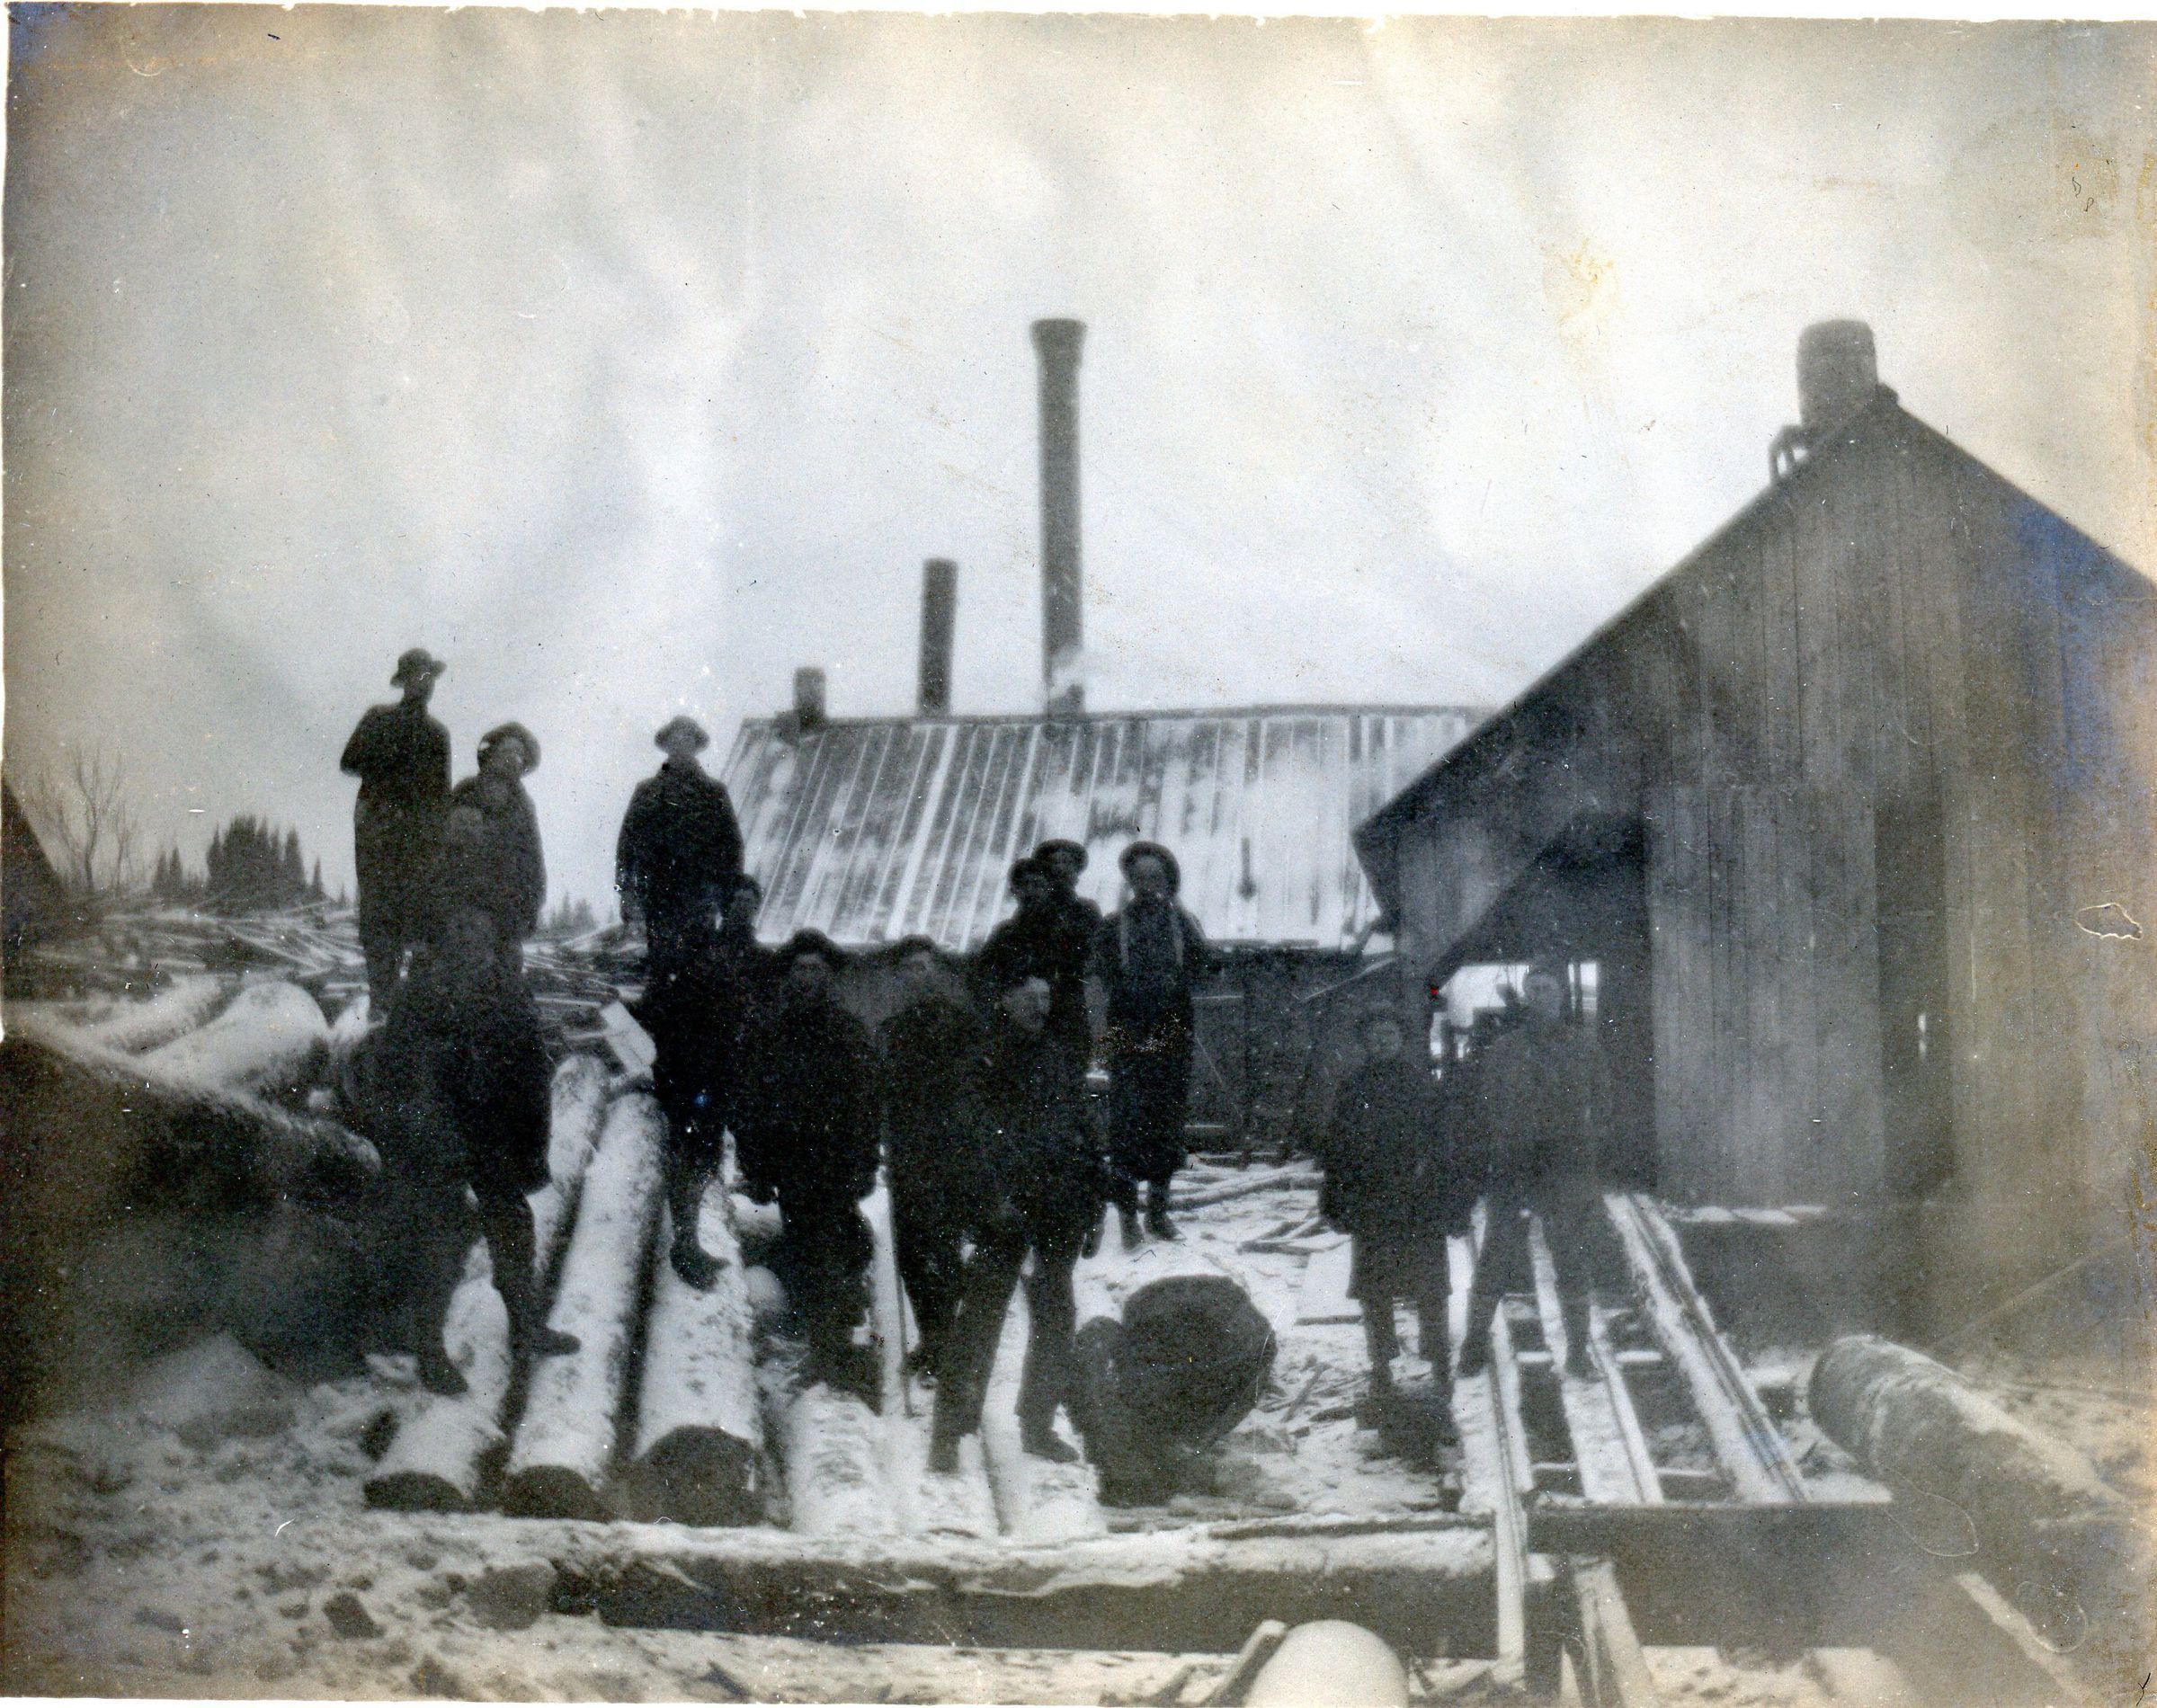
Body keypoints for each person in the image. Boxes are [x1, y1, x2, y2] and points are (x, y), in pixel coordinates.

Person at [346, 904, 579, 1392]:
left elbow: (531, 1072)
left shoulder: (508, 990)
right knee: (440, 1240)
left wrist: (529, 1148)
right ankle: (430, 1350)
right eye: (461, 932)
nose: (471, 941)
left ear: (493, 942)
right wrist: (415, 1137)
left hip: (494, 1132)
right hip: (439, 1134)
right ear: (447, 941)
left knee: (512, 1226)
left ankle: (526, 1327)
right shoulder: (421, 993)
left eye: (479, 932)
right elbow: (395, 1072)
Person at [930, 974, 1110, 1473]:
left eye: (1045, 997)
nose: (1039, 1005)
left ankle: (1037, 1426)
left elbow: (1084, 1133)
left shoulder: (1058, 1057)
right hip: (1005, 1211)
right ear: (1005, 999)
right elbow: (968, 1139)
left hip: (1059, 1208)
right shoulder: (983, 1059)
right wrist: (990, 1200)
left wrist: (1095, 1204)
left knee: (1056, 1318)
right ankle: (948, 1433)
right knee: (980, 1321)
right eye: (1028, 996)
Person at [737, 931, 882, 1400]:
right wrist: (756, 1167)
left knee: (836, 1253)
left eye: (816, 969)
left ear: (829, 976)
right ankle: (827, 1351)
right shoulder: (771, 1034)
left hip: (837, 1164)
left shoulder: (849, 1032)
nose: (807, 978)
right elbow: (753, 1102)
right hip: (793, 1166)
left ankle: (839, 1354)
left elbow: (868, 1104)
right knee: (807, 1251)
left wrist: (865, 1163)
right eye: (799, 969)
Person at [1316, 1008, 1472, 1437]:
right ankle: (1381, 1366)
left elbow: (1445, 1147)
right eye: (1375, 1035)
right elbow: (1337, 1149)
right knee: (1374, 1289)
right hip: (1373, 1203)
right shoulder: (1353, 1088)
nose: (1383, 1041)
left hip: (1418, 1203)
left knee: (1431, 1286)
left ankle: (1439, 1363)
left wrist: (1454, 1202)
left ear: (1402, 1040)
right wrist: (1334, 1200)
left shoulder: (1422, 1085)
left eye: (1390, 1033)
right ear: (1365, 1043)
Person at [1453, 963, 1605, 1380]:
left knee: (1570, 1258)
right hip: (1514, 1167)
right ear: (1525, 995)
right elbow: (1484, 1106)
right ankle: (1473, 1347)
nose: (1540, 996)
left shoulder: (1583, 1047)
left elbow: (1602, 1105)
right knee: (1495, 1258)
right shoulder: (1504, 1049)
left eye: (1547, 988)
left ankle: (1579, 1354)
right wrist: (1500, 1146)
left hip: (1563, 1167)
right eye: (1533, 988)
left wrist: (1584, 1155)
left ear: (1561, 996)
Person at [876, 937, 986, 1383]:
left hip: (951, 1153)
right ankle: (931, 1335)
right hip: (907, 1154)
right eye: (908, 969)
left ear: (936, 972)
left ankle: (946, 1339)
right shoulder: (891, 1031)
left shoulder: (961, 1026)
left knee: (944, 1247)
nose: (915, 976)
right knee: (910, 1251)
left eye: (923, 967)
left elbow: (974, 1089)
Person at [1068, 1272, 1276, 1506]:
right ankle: (1143, 1470)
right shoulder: (1129, 1344)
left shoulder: (1146, 1348)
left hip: (1229, 1344)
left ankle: (1141, 1474)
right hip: (1233, 1335)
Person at [1092, 841, 1209, 1246]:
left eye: (1155, 877)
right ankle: (1128, 1217)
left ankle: (1158, 1213)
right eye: (1139, 877)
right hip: (1127, 1029)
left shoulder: (1182, 922)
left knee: (1166, 1119)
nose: (1147, 885)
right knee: (1126, 1121)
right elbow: (1105, 974)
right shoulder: (1114, 925)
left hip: (1172, 1028)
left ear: (1167, 880)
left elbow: (1204, 966)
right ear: (1130, 881)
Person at [340, 649, 450, 1006]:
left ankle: (416, 1009)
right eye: (418, 676)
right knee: (380, 918)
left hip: (421, 840)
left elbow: (442, 795)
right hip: (380, 834)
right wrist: (391, 772)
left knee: (421, 921)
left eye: (430, 677)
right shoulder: (378, 719)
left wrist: (439, 841)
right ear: (404, 682)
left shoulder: (437, 734)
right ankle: (381, 1003)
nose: (425, 684)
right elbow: (349, 761)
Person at [615, 716, 744, 991]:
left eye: (688, 739)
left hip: (700, 898)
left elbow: (731, 849)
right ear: (667, 746)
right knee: (661, 970)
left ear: (696, 746)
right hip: (657, 898)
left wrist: (727, 900)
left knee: (698, 972)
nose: (681, 744)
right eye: (675, 739)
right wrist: (626, 893)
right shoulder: (647, 792)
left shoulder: (713, 793)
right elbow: (626, 848)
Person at [439, 723, 545, 977]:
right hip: (469, 905)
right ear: (491, 755)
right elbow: (443, 851)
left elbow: (532, 857)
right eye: (507, 751)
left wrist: (533, 902)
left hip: (510, 907)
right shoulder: (467, 792)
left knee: (507, 972)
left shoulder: (523, 805)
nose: (513, 759)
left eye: (519, 754)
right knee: (468, 971)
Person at [973, 856, 1094, 1070]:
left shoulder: (1068, 932)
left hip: (1059, 1026)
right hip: (1014, 1028)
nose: (1030, 892)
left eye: (1038, 885)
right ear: (1014, 891)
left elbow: (1080, 979)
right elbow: (983, 978)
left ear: (1049, 889)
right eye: (1023, 885)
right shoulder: (1004, 934)